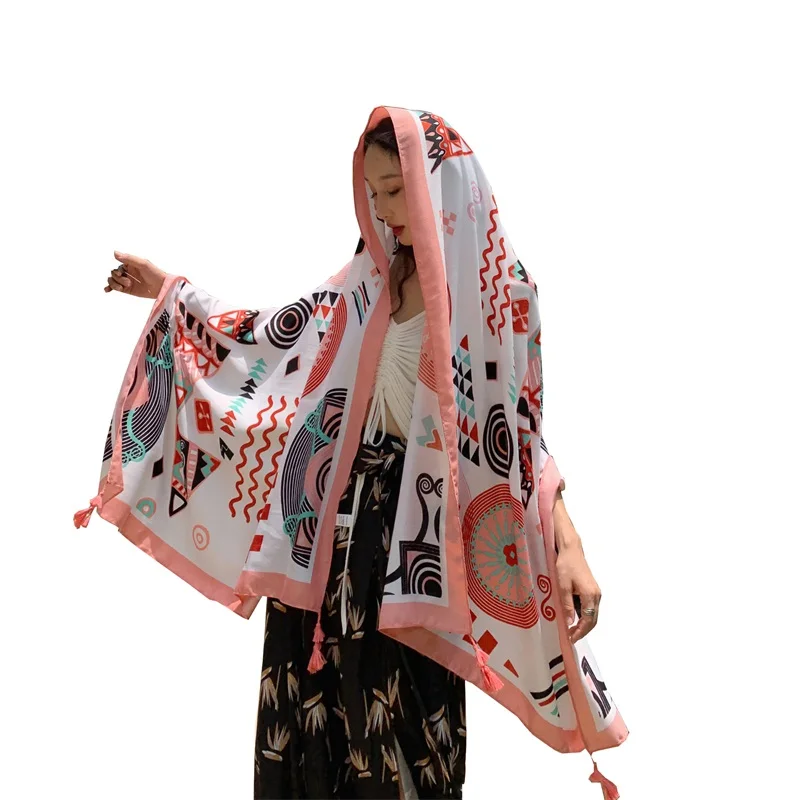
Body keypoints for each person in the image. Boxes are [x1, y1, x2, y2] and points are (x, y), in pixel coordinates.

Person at [81, 106, 628, 799]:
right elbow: (269, 342)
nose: (384, 209)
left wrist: (568, 542)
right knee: (307, 734)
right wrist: (170, 293)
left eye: (396, 189)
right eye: (373, 192)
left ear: (439, 184)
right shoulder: (367, 280)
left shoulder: (496, 290)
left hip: (412, 550)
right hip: (325, 538)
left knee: (402, 737)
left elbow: (515, 428)